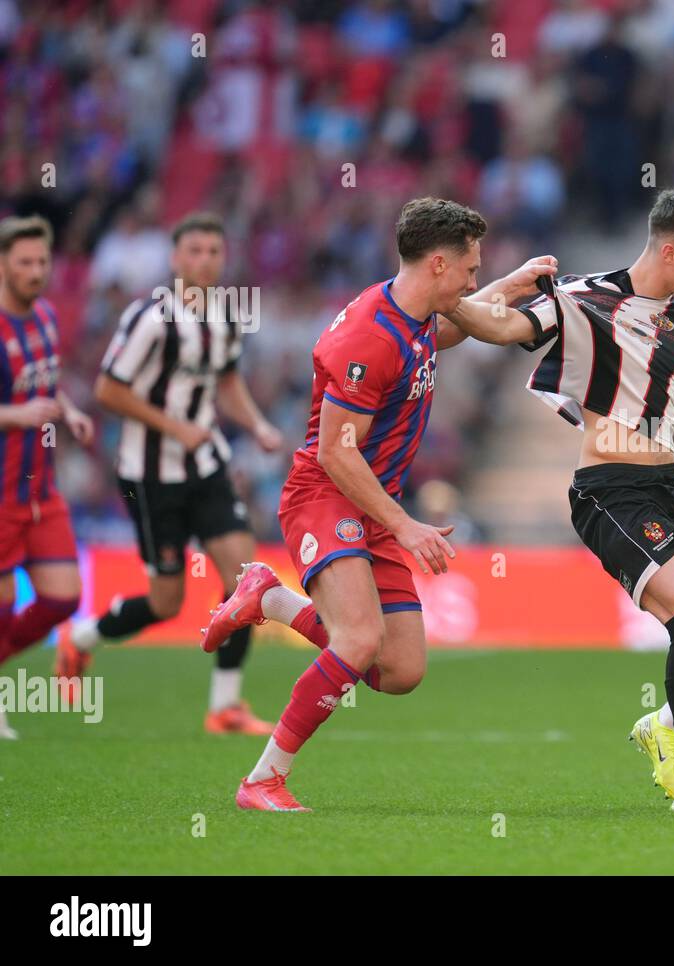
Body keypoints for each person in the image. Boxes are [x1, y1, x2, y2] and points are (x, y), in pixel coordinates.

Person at [445, 185, 674, 814]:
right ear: (669, 250)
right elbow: (495, 327)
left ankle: (662, 720)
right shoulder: (581, 300)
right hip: (611, 491)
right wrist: (470, 291)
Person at [200, 197, 555, 811]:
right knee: (359, 641)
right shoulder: (368, 337)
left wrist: (508, 286)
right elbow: (338, 454)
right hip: (325, 495)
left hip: (374, 501)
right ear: (439, 265)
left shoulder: (415, 311)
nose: (475, 281)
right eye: (472, 270)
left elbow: (445, 331)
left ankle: (270, 596)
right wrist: (406, 526)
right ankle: (261, 781)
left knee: (400, 671)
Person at [63, 212, 283, 735]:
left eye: (213, 251)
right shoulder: (148, 318)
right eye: (195, 251)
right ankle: (84, 637)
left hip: (205, 467)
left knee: (243, 577)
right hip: (149, 473)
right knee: (167, 602)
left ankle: (225, 705)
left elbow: (227, 380)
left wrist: (257, 425)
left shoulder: (226, 318)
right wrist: (175, 426)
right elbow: (108, 390)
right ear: (175, 258)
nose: (205, 260)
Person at [0, 215, 94, 740]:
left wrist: (69, 409)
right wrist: (16, 415)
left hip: (41, 492)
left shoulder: (47, 319)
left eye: (42, 261)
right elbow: (21, 405)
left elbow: (45, 387)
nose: (36, 271)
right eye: (25, 263)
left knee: (63, 599)